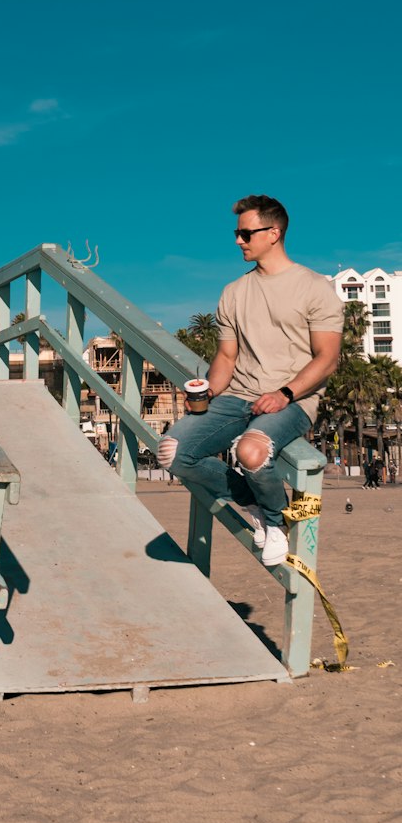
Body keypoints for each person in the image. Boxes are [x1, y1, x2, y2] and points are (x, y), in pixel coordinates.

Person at [158, 196, 343, 567]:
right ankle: (253, 502)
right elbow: (226, 357)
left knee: (251, 452)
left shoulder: (314, 287)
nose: (238, 241)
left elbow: (327, 359)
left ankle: (277, 522)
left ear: (273, 233)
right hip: (238, 395)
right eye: (236, 233)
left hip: (293, 400)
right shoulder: (234, 292)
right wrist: (209, 389)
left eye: (245, 233)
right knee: (172, 453)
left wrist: (285, 393)